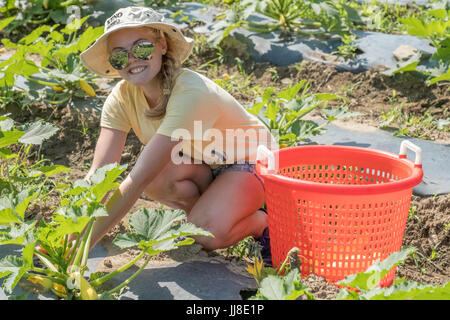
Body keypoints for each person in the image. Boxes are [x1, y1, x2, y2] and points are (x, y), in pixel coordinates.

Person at [79, 6, 275, 261]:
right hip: (206, 163)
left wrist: (80, 251)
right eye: (119, 56)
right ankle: (215, 214)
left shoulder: (190, 91)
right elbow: (98, 175)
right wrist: (71, 236)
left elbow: (136, 181)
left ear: (162, 45)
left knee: (202, 235)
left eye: (141, 48)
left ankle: (260, 221)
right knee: (157, 177)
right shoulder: (121, 98)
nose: (132, 60)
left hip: (251, 162)